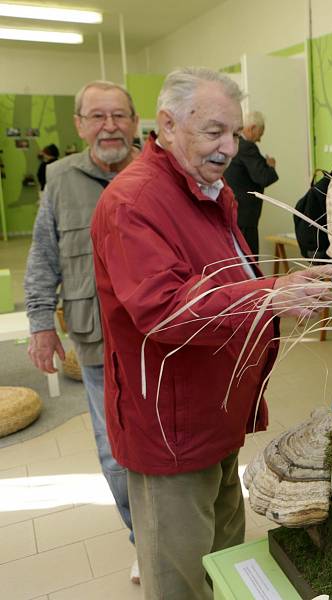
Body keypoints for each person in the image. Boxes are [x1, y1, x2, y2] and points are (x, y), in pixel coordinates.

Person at [90, 67, 332, 600]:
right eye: (214, 131)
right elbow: (166, 309)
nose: (229, 147)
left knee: (223, 557)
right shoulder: (135, 203)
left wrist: (280, 291)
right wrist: (270, 295)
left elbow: (226, 277)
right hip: (171, 428)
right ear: (168, 125)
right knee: (179, 576)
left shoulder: (203, 188)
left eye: (235, 133)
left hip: (214, 411)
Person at [24, 80, 140, 582]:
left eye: (118, 115)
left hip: (156, 340)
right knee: (114, 452)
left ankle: (172, 535)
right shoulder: (59, 179)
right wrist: (40, 325)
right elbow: (44, 256)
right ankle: (143, 537)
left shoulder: (159, 173)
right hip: (95, 343)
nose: (108, 126)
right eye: (97, 116)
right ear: (79, 125)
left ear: (135, 122)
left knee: (169, 442)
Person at [223, 110, 278, 256]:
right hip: (245, 217)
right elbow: (263, 177)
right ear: (253, 128)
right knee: (250, 260)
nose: (260, 138)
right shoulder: (247, 147)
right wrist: (271, 166)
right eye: (261, 132)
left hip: (236, 212)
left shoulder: (236, 144)